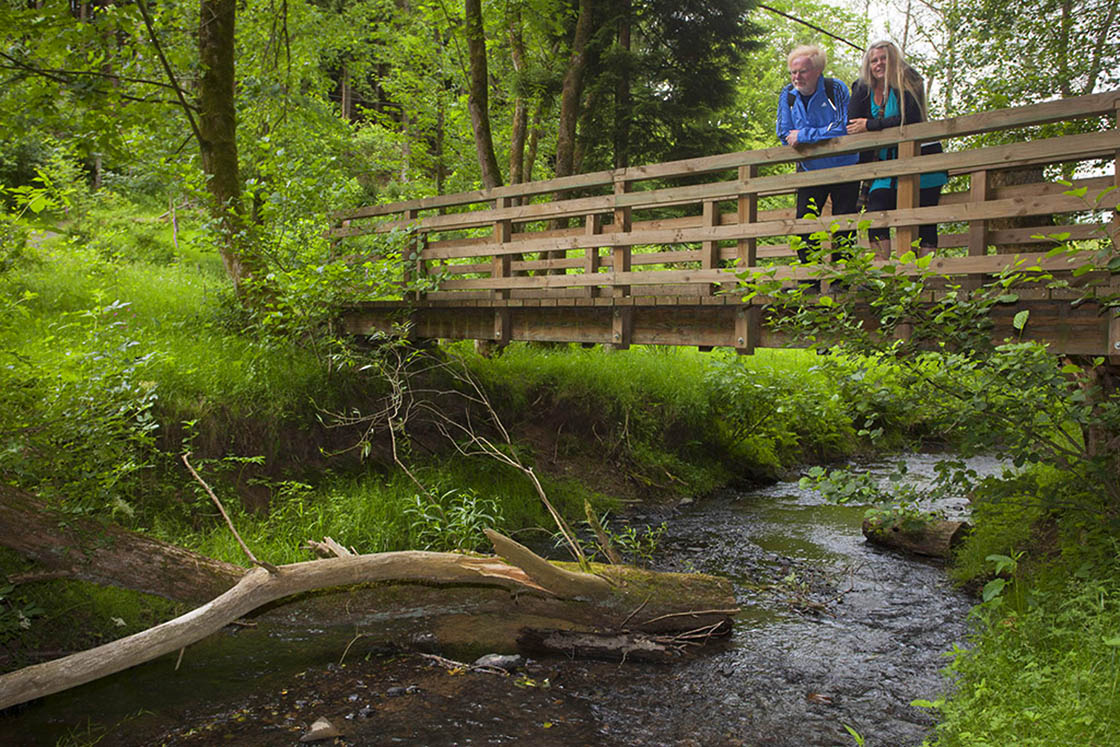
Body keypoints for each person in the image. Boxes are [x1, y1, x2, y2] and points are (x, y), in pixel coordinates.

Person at [847, 40, 947, 258]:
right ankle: (885, 273)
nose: (879, 64)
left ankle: (921, 278)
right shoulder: (863, 88)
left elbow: (909, 119)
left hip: (923, 158)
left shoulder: (909, 79)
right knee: (876, 212)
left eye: (884, 58)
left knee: (925, 218)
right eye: (874, 60)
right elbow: (853, 124)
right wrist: (869, 125)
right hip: (884, 164)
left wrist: (871, 125)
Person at [776, 44, 860, 266]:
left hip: (845, 167)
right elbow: (783, 132)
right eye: (793, 72)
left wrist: (805, 135)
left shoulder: (836, 88)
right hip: (811, 169)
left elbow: (842, 126)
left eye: (802, 71)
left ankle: (842, 281)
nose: (797, 77)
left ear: (817, 71)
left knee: (843, 223)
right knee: (805, 224)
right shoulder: (788, 95)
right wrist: (811, 136)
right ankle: (809, 280)